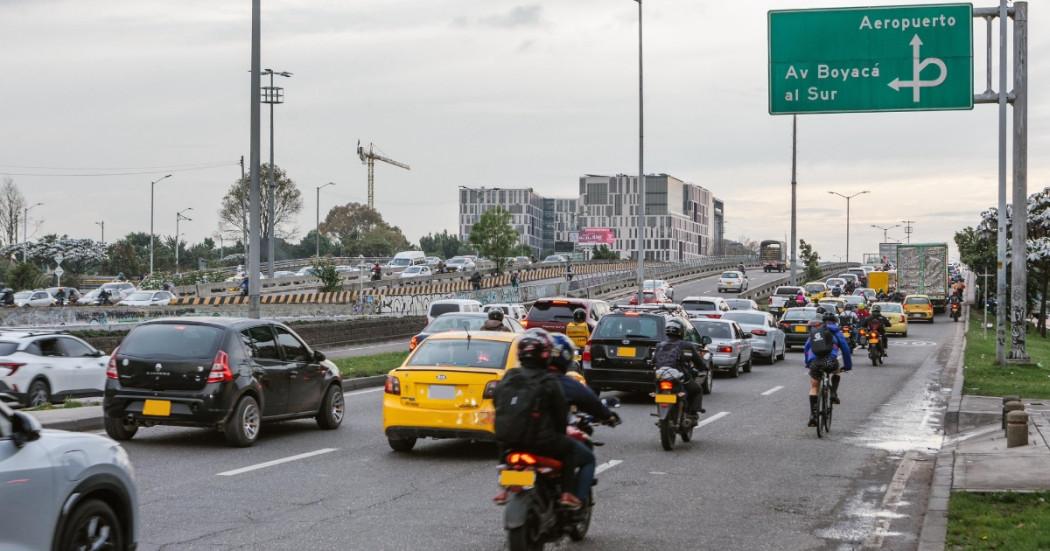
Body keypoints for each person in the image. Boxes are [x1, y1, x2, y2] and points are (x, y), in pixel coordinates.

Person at [492, 329, 581, 509]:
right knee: (570, 449)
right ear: (545, 355)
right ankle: (567, 494)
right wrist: (560, 431)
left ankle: (503, 488)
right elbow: (560, 412)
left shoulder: (510, 376)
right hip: (541, 442)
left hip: (508, 439)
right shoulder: (548, 380)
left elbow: (497, 401)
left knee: (505, 448)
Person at [651, 318, 706, 423]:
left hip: (660, 377)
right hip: (679, 378)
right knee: (697, 389)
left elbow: (653, 361)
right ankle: (693, 413)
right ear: (681, 332)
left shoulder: (659, 345)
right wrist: (702, 368)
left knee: (657, 390)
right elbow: (698, 361)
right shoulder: (687, 346)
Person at [803, 311, 853, 426]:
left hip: (815, 363)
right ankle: (834, 393)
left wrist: (808, 363)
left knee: (814, 386)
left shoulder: (816, 332)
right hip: (830, 362)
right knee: (837, 370)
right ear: (835, 322)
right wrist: (848, 366)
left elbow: (806, 348)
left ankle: (813, 415)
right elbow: (845, 350)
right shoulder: (836, 332)